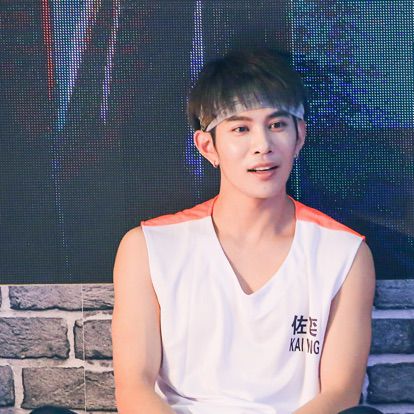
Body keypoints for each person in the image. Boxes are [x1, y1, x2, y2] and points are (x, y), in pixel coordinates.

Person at [112, 49, 376, 414]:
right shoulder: (148, 247)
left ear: (299, 136)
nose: (263, 146)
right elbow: (134, 388)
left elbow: (341, 392)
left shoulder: (344, 253)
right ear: (208, 146)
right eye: (241, 128)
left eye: (277, 125)